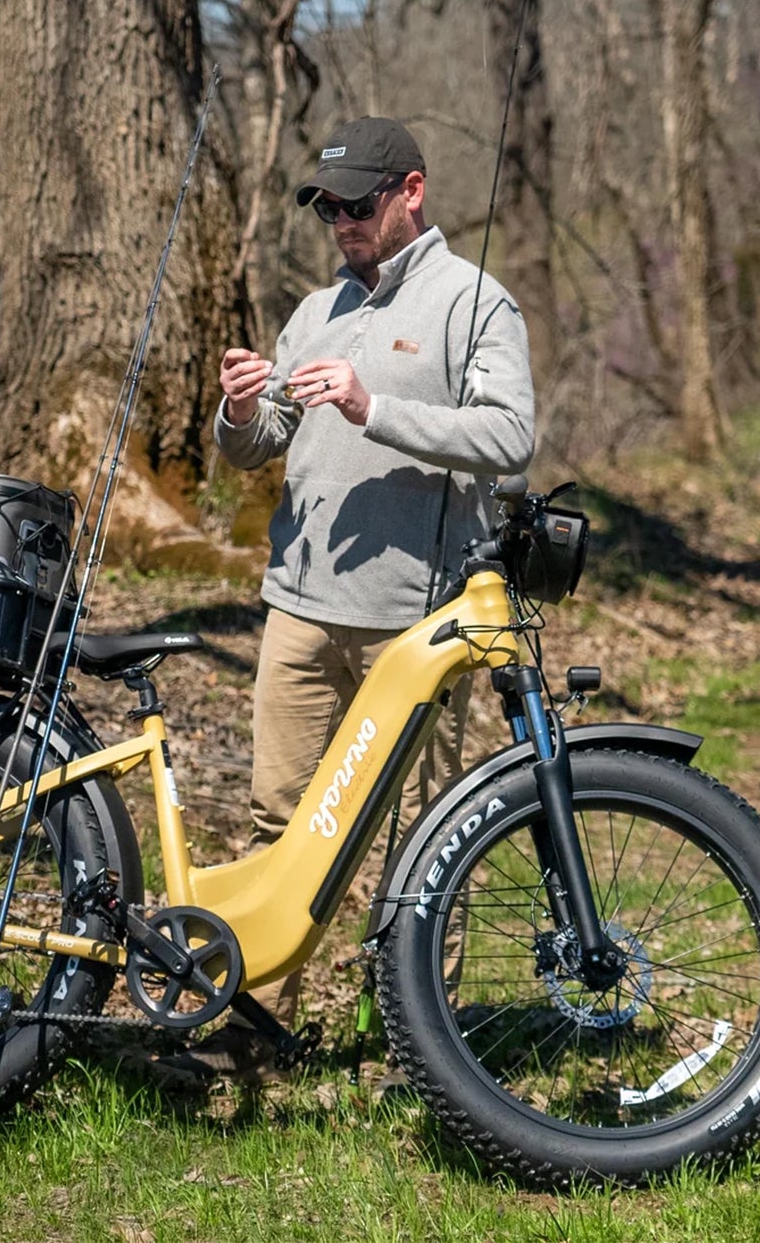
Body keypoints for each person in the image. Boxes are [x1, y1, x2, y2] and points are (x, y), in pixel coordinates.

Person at [194, 115, 535, 1074]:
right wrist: (237, 405)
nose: (340, 220)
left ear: (412, 192)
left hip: (418, 627)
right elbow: (256, 445)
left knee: (432, 842)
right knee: (278, 821)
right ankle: (254, 1031)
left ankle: (419, 1046)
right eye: (327, 207)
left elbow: (511, 439)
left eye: (358, 203)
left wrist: (371, 406)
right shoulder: (315, 310)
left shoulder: (476, 305)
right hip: (300, 610)